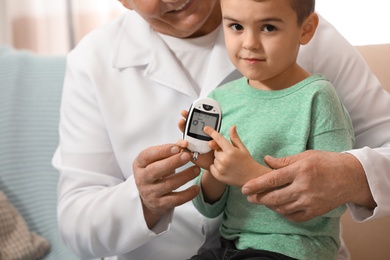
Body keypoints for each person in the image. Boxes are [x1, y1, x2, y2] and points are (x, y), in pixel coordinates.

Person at [52, 0, 390, 259]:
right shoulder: (91, 60)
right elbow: (75, 223)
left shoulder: (294, 20)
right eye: (237, 28)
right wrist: (143, 201)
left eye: (268, 29)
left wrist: (352, 176)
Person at [177, 0, 354, 259]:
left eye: (268, 27)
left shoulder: (317, 97)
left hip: (294, 249)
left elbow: (335, 200)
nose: (249, 43)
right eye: (236, 26)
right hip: (229, 247)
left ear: (305, 30)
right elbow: (209, 210)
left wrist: (251, 176)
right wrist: (213, 169)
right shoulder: (220, 100)